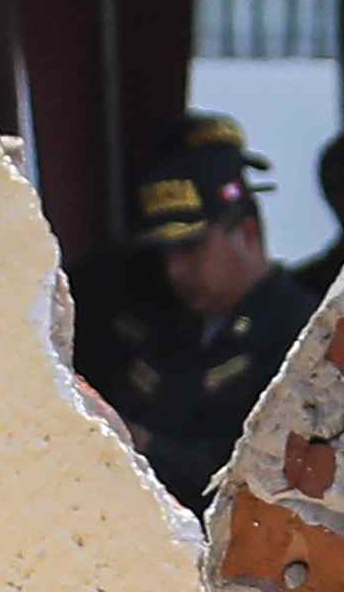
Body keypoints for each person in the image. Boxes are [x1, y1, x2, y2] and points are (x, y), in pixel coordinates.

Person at [94, 115, 321, 510]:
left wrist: (143, 445)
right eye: (167, 252)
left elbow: (273, 476)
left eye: (191, 248)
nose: (174, 270)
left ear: (246, 233)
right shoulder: (158, 325)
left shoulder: (301, 331)